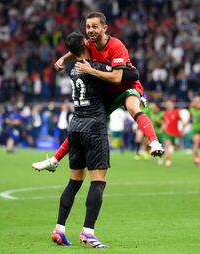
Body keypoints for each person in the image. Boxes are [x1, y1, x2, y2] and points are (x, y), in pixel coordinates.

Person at [34, 11, 164, 171]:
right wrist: (62, 59)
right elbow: (76, 50)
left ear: (105, 28)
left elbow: (117, 78)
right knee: (84, 125)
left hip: (127, 86)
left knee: (132, 108)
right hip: (108, 92)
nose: (90, 30)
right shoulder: (90, 43)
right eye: (88, 27)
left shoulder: (116, 46)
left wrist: (90, 70)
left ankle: (154, 142)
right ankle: (54, 161)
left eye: (95, 26)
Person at [35, 32, 112, 248]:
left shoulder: (73, 70)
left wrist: (64, 58)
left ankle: (59, 229)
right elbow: (123, 76)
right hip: (94, 128)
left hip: (75, 126)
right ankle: (88, 232)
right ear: (86, 45)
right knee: (98, 181)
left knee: (74, 182)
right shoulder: (95, 67)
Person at [162, 100, 183, 167]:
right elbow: (164, 122)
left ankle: (175, 147)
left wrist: (182, 129)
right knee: (167, 145)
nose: (169, 106)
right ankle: (168, 160)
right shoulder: (165, 114)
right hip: (167, 133)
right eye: (167, 104)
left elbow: (181, 120)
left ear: (172, 105)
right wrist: (163, 127)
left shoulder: (176, 112)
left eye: (170, 104)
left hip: (176, 133)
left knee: (176, 148)